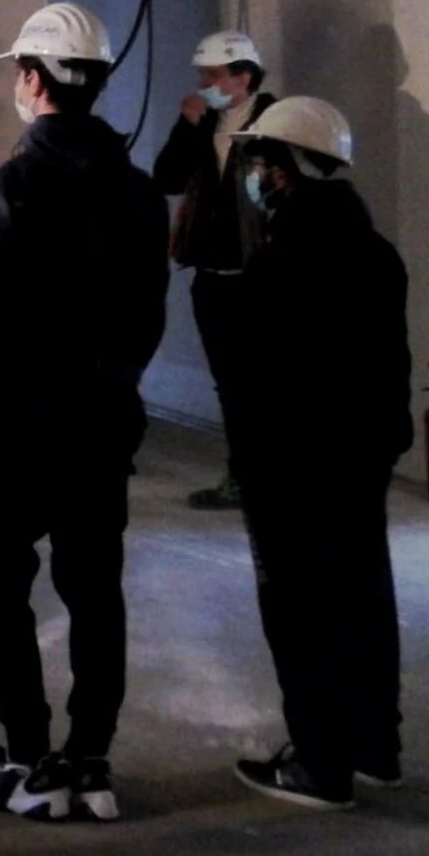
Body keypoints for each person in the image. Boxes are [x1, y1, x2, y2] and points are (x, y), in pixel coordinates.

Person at [0, 5, 167, 825]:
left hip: (19, 427)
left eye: (17, 71)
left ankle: (33, 754)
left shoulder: (13, 185)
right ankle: (91, 758)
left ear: (34, 80)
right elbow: (148, 312)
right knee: (95, 590)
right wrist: (112, 386)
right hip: (102, 423)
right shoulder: (139, 193)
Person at [223, 97, 411, 810]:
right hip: (360, 462)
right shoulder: (375, 254)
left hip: (293, 470)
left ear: (288, 169)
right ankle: (373, 746)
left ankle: (320, 764)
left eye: (263, 162)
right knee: (363, 597)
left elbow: (257, 384)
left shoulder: (281, 266)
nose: (256, 175)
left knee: (302, 615)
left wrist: (251, 465)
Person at [151, 29, 277, 513]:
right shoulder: (203, 124)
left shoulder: (276, 118)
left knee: (265, 380)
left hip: (264, 276)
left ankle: (271, 474)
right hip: (212, 275)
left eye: (214, 74)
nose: (205, 82)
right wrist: (187, 126)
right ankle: (241, 476)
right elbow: (167, 178)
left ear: (244, 76)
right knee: (230, 382)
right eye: (202, 74)